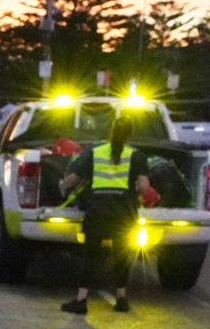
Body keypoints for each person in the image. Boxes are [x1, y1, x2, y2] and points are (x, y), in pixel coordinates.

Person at [57, 115, 152, 315]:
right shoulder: (136, 155)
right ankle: (121, 298)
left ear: (110, 132)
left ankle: (81, 300)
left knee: (90, 256)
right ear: (130, 134)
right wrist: (135, 195)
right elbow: (144, 186)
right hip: (123, 212)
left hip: (98, 210)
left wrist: (63, 184)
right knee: (121, 255)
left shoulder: (94, 151)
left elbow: (75, 178)